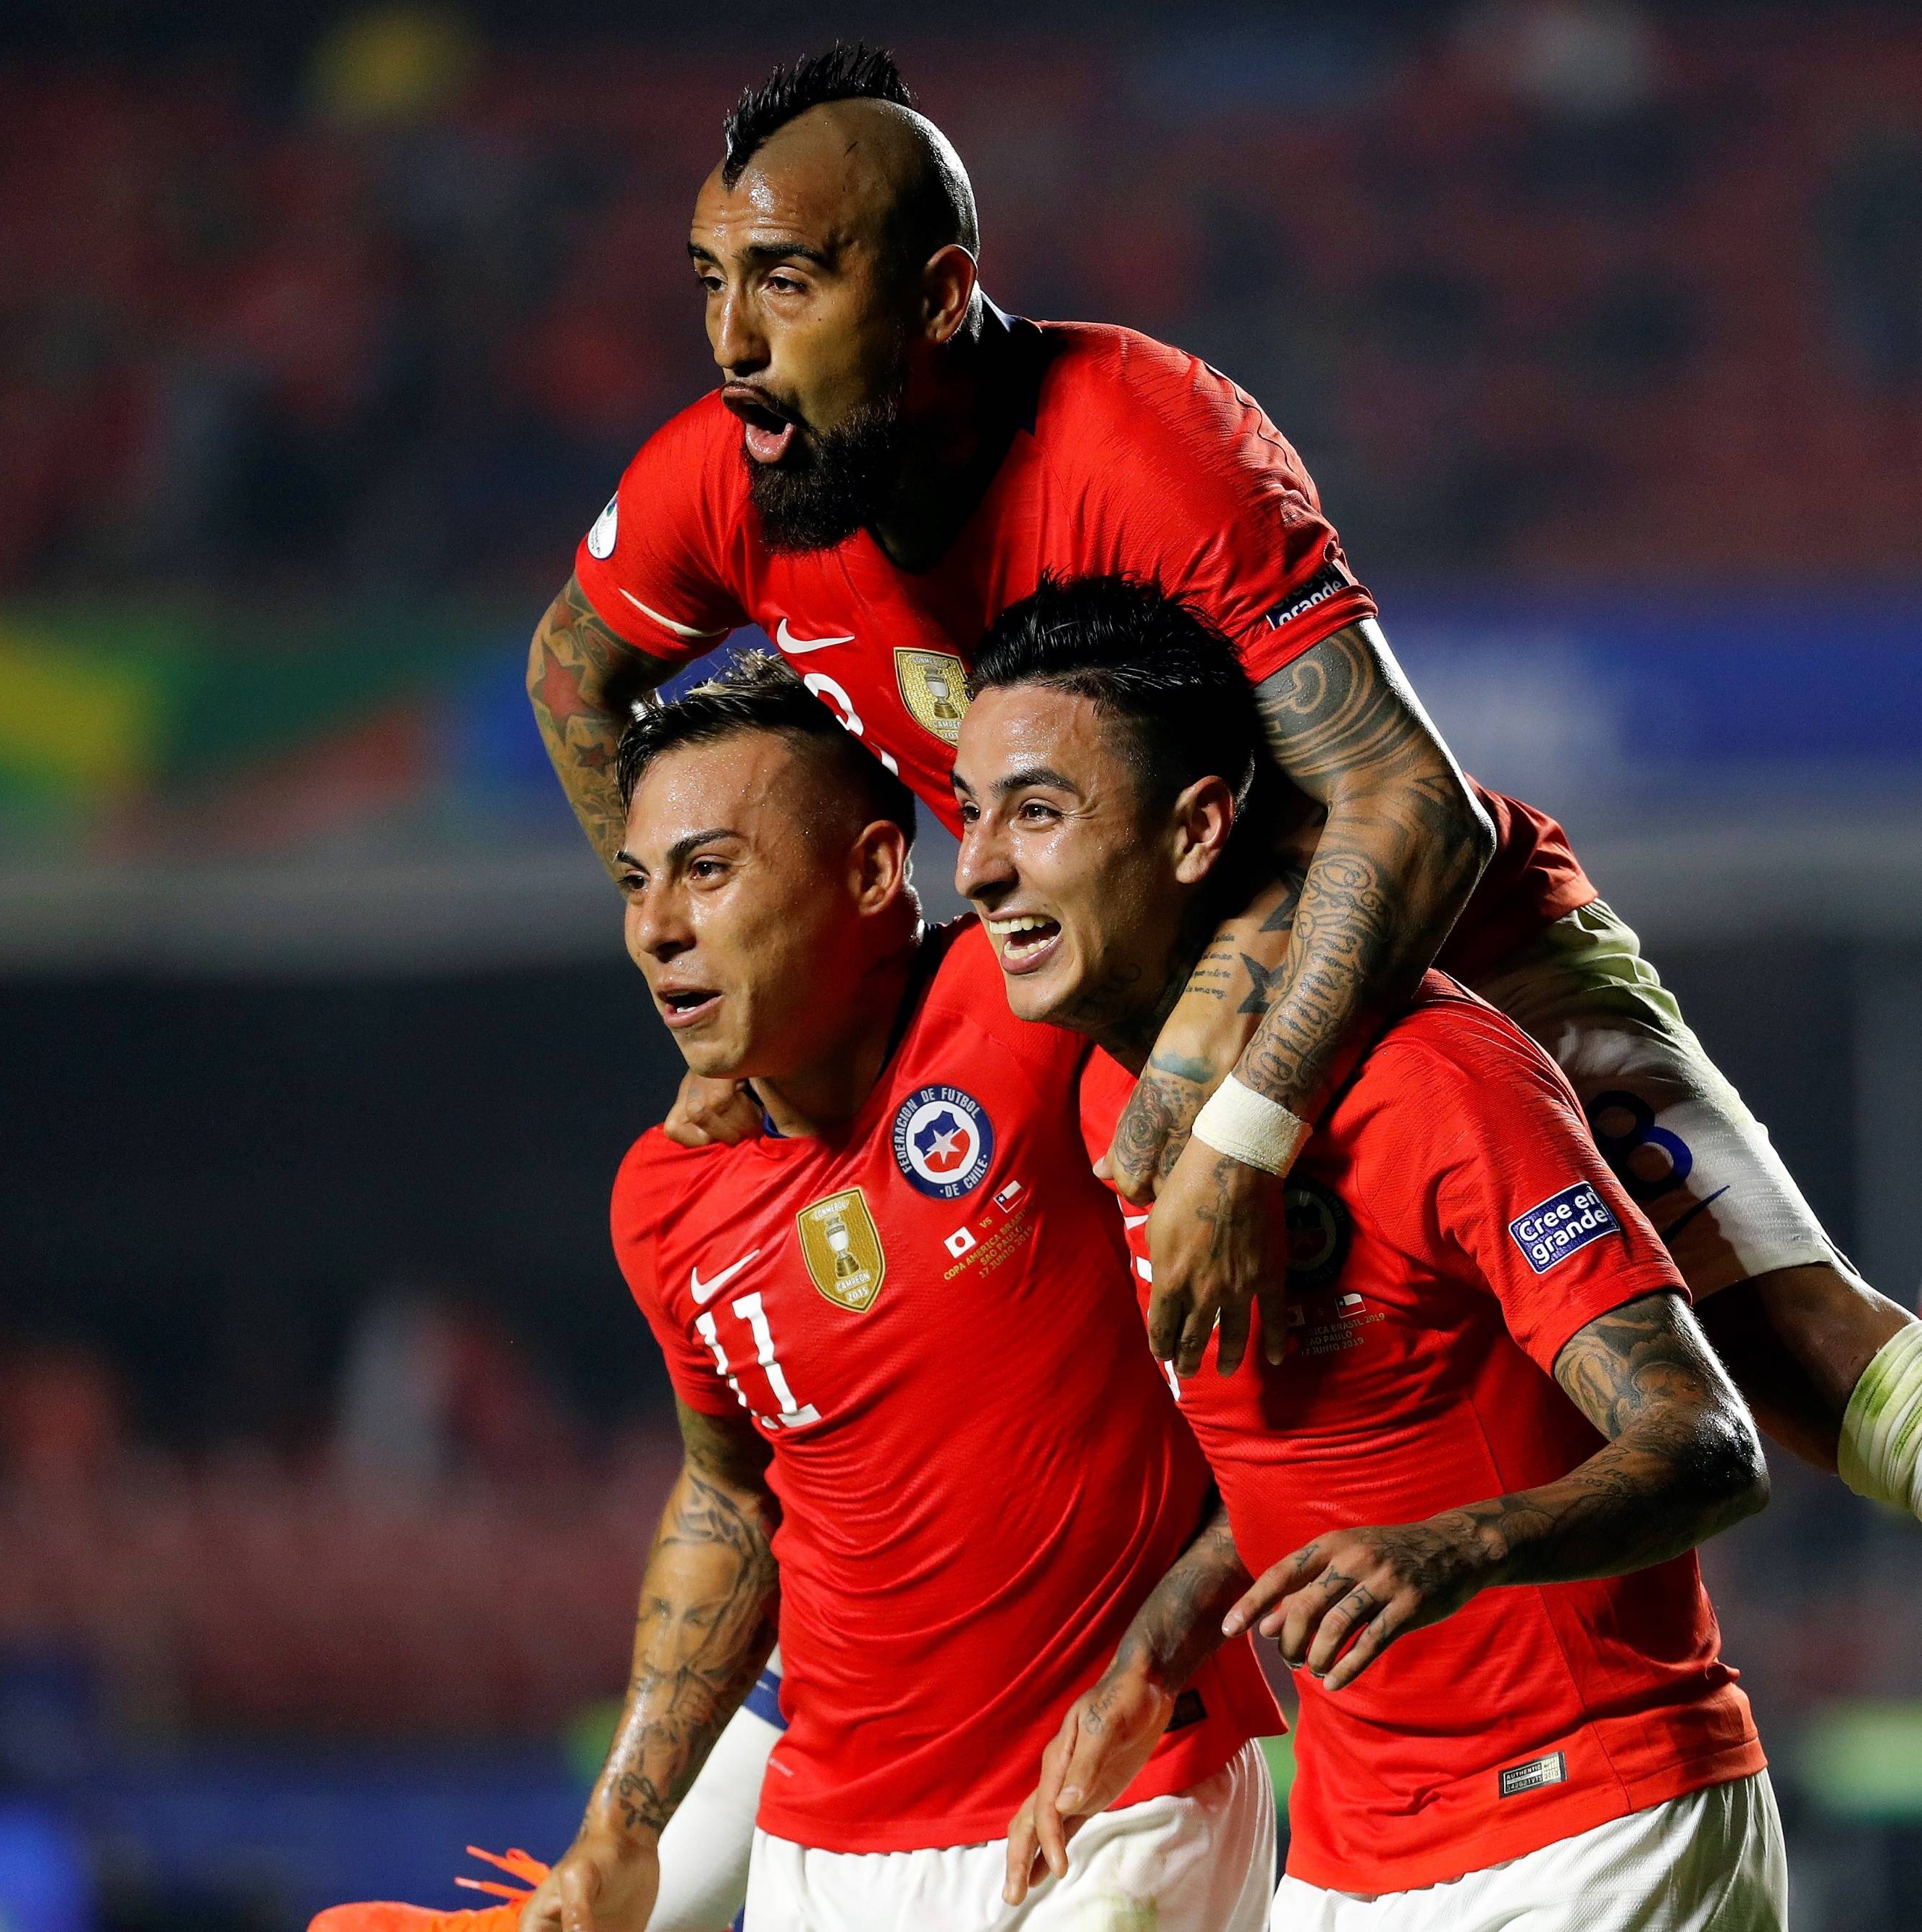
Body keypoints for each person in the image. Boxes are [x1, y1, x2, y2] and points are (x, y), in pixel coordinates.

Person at [512, 36, 1922, 1914]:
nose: (733, 340)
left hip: (1419, 945)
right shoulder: (725, 484)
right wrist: (713, 980)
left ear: (936, 293)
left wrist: (1248, 1120)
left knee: (1782, 1338)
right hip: (1138, 1007)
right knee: (954, 1382)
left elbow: (1400, 802)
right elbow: (570, 674)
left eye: (788, 280)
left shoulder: (1139, 439)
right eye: (711, 282)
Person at [329, 658, 1290, 1932]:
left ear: (876, 870)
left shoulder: (1028, 1007)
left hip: (1115, 1804)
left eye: (709, 870)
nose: (658, 928)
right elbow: (732, 1498)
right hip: (824, 1850)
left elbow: (1285, 870)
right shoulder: (665, 1199)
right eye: (636, 883)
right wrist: (622, 1828)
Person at [951, 578, 1776, 1928]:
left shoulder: (1435, 1077)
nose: (979, 867)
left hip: (1595, 1823)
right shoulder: (1113, 1107)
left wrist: (1459, 1547)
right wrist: (1145, 1664)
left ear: (1195, 831)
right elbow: (1304, 1471)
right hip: (1351, 1853)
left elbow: (1704, 1442)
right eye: (972, 814)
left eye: (1036, 813)